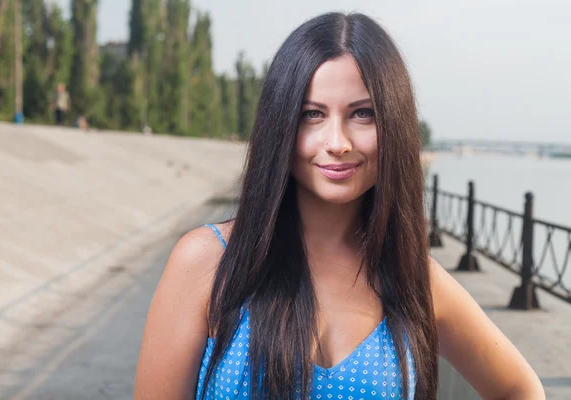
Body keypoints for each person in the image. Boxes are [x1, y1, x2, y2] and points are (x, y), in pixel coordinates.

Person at [134, 12, 544, 400]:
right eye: (312, 114)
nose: (337, 142)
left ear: (394, 125)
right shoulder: (207, 262)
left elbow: (519, 388)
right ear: (281, 125)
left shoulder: (413, 277)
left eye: (362, 114)